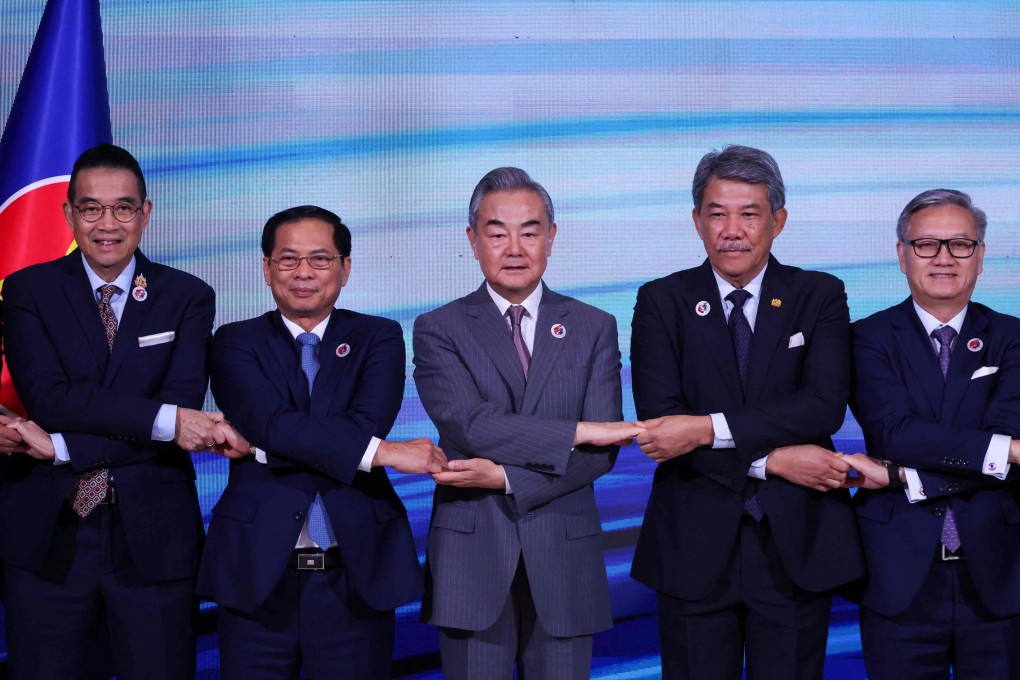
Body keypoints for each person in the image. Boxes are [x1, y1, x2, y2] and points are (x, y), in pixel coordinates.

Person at [0, 143, 240, 678]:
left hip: (153, 538)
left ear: (145, 213)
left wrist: (63, 444)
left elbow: (178, 404)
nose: (107, 224)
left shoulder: (187, 296)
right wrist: (164, 422)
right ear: (69, 215)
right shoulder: (26, 290)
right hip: (47, 537)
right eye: (91, 208)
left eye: (123, 207)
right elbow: (49, 398)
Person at [629, 145, 865, 680]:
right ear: (696, 221)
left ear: (778, 221)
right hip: (692, 543)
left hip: (795, 547)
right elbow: (664, 424)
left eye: (749, 213)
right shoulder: (661, 300)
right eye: (717, 213)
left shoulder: (818, 294)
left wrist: (707, 428)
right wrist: (770, 462)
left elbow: (822, 407)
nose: (732, 230)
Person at [198, 205, 445, 679]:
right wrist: (383, 453)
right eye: (288, 260)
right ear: (266, 268)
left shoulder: (380, 336)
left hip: (355, 575)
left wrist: (260, 446)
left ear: (345, 268)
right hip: (257, 574)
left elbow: (361, 422)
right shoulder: (234, 341)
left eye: (320, 259)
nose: (304, 273)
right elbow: (268, 421)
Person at [413, 167, 641, 679]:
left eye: (530, 231)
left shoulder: (593, 326)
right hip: (472, 558)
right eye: (497, 233)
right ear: (473, 241)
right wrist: (577, 431)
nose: (514, 247)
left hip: (564, 553)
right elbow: (472, 426)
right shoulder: (438, 328)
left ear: (551, 238)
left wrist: (506, 477)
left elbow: (602, 453)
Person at [844, 189, 1020, 679]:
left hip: (1001, 574)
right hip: (897, 575)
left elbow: (1006, 438)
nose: (944, 258)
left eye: (960, 244)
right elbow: (897, 433)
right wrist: (1004, 451)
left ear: (981, 256)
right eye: (926, 245)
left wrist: (902, 478)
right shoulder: (865, 338)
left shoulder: (1015, 338)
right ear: (902, 255)